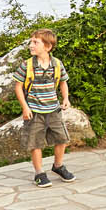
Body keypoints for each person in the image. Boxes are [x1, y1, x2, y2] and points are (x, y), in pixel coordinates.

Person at [15, 29, 75, 185]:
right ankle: (39, 173)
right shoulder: (26, 65)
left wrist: (66, 98)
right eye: (31, 41)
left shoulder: (56, 64)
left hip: (54, 110)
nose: (31, 45)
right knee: (35, 142)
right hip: (34, 112)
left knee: (62, 138)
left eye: (35, 42)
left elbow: (63, 82)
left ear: (47, 46)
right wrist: (25, 107)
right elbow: (18, 87)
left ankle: (58, 165)